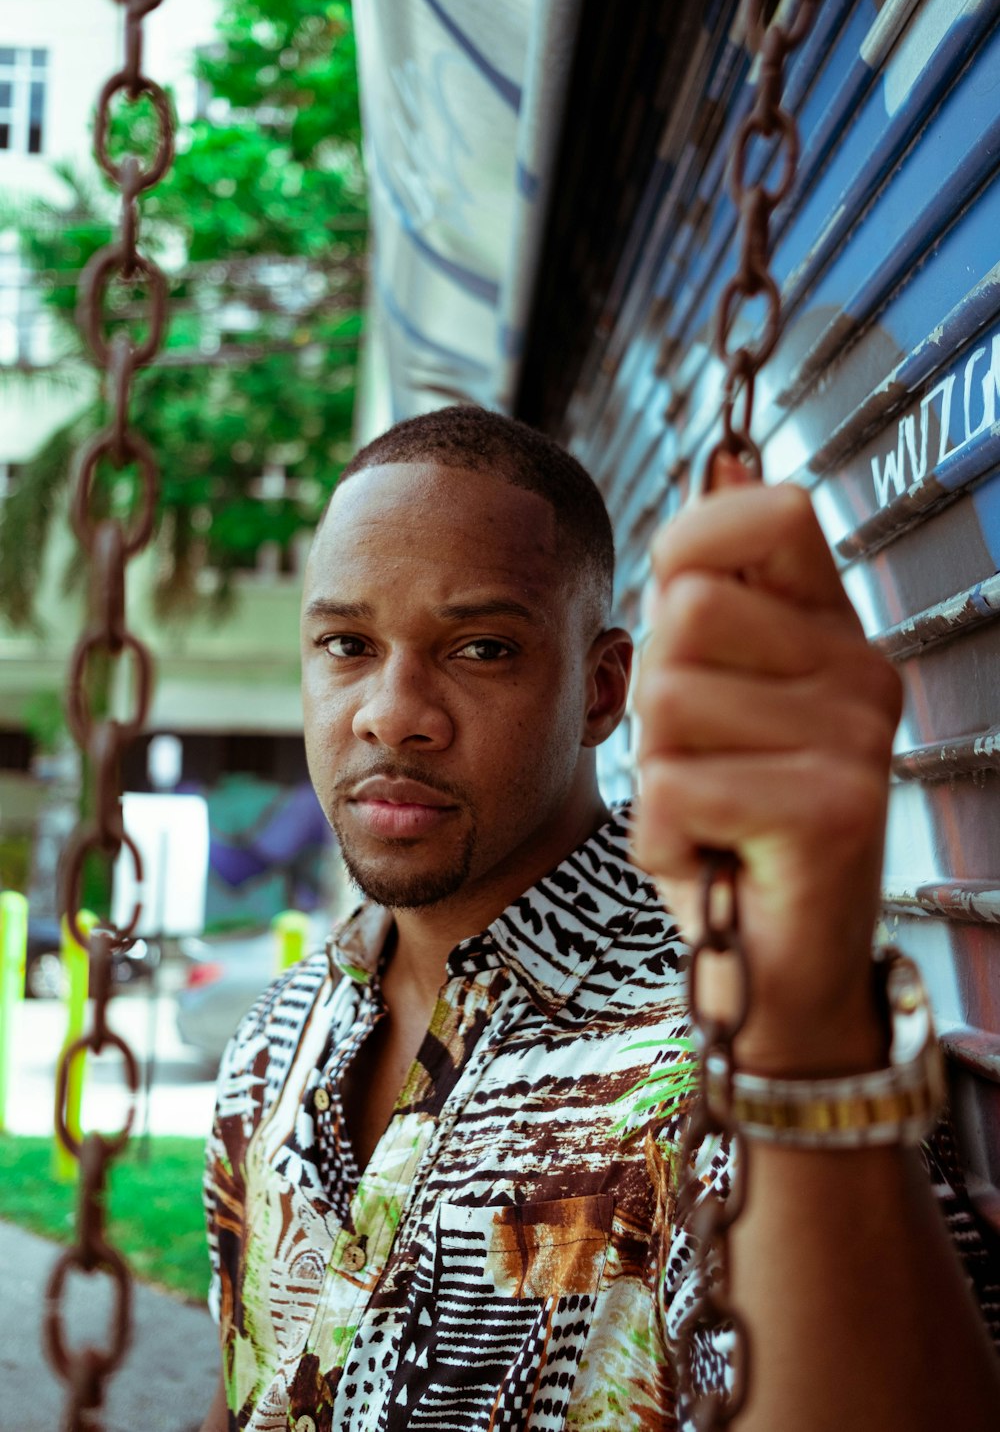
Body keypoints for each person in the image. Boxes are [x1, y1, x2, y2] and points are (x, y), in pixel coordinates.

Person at [199, 405, 1000, 1432]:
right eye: (347, 643)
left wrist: (804, 1032)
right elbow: (248, 1390)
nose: (391, 711)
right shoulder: (273, 1039)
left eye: (481, 648)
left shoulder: (733, 1047)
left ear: (602, 687)